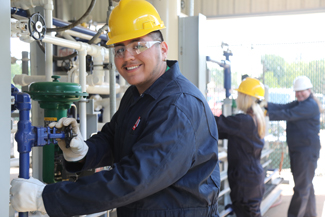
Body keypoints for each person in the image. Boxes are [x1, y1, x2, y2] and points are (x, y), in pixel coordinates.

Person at [10, 0, 220, 216]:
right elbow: (113, 138)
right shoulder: (137, 93)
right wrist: (82, 152)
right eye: (119, 49)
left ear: (163, 50)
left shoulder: (178, 105)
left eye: (138, 45)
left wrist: (46, 198)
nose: (127, 56)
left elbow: (134, 178)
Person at [263, 75, 321, 217]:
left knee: (301, 188)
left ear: (309, 90)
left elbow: (288, 113)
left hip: (305, 153)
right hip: (300, 151)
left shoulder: (310, 105)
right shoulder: (301, 103)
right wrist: (265, 105)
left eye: (302, 91)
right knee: (306, 185)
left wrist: (265, 113)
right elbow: (284, 106)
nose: (299, 94)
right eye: (297, 91)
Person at [215, 77, 266, 217]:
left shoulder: (244, 121)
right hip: (252, 180)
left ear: (245, 97)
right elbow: (224, 130)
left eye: (239, 95)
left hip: (246, 182)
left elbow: (217, 125)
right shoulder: (256, 118)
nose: (237, 98)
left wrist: (196, 110)